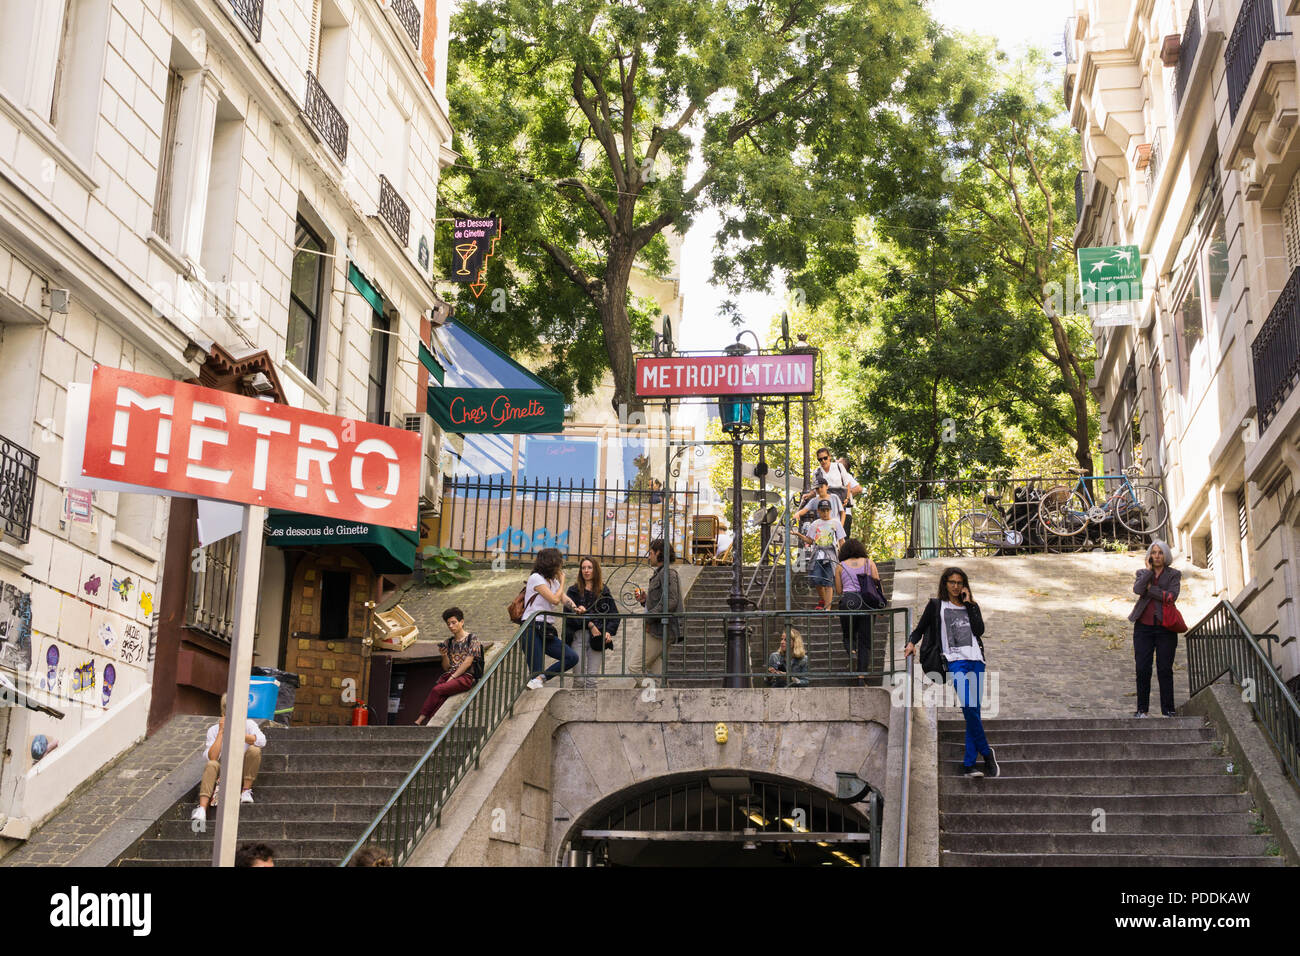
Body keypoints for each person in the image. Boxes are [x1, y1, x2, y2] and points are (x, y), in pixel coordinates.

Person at [905, 568, 998, 779]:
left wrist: (970, 604)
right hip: (955, 661)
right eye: (952, 582)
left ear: (964, 585)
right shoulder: (936, 605)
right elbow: (920, 629)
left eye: (959, 583)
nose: (955, 586)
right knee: (967, 704)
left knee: (972, 710)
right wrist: (911, 643)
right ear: (945, 583)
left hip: (976, 660)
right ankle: (986, 752)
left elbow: (979, 630)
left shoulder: (971, 606)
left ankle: (969, 765)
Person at [1128, 540, 1183, 718]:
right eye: (1154, 553)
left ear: (1165, 555)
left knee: (1164, 669)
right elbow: (1138, 589)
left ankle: (1168, 710)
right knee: (1143, 668)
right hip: (1143, 628)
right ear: (1149, 556)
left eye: (1160, 553)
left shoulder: (1174, 574)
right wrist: (1148, 575)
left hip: (1165, 627)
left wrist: (1150, 589)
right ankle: (1142, 710)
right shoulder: (1142, 573)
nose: (1157, 556)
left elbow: (1171, 597)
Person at [193, 694, 266, 821]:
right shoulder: (213, 730)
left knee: (255, 749)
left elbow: (261, 741)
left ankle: (246, 791)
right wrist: (221, 732)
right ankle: (202, 809)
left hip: (243, 769)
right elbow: (212, 757)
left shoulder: (248, 724)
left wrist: (237, 733)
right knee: (211, 764)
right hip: (223, 772)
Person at [523, 548, 580, 690]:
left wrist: (576, 608)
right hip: (531, 627)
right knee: (536, 669)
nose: (561, 566)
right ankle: (535, 685)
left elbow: (563, 599)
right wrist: (562, 582)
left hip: (546, 629)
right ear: (551, 563)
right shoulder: (536, 578)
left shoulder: (553, 582)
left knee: (571, 657)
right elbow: (555, 600)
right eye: (559, 563)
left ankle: (541, 678)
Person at [415, 607, 484, 724]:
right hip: (451, 675)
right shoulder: (448, 642)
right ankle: (431, 723)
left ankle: (420, 719)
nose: (451, 626)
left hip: (466, 677)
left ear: (462, 622)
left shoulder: (473, 639)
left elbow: (467, 663)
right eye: (448, 624)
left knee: (437, 690)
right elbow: (446, 667)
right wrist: (444, 655)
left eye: (454, 622)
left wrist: (452, 678)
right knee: (440, 699)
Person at [632, 539, 683, 676]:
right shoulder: (660, 573)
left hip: (660, 630)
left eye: (651, 553)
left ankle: (654, 696)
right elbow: (660, 600)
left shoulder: (668, 573)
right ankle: (662, 694)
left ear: (658, 553)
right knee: (657, 674)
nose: (649, 557)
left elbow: (671, 601)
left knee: (634, 667)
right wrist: (645, 600)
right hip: (656, 629)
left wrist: (649, 617)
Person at [566, 556, 619, 687]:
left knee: (591, 681)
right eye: (583, 568)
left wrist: (608, 631)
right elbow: (569, 615)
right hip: (578, 636)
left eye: (589, 567)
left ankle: (590, 708)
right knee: (578, 680)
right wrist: (590, 624)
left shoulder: (603, 591)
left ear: (595, 570)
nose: (586, 571)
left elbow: (614, 615)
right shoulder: (573, 591)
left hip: (597, 638)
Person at [835, 538, 882, 676]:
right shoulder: (869, 563)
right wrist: (880, 605)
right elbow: (877, 584)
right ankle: (861, 677)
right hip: (867, 602)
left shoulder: (840, 566)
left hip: (848, 601)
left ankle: (852, 652)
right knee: (865, 641)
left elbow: (838, 590)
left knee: (848, 635)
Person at [797, 499, 845, 611]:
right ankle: (824, 601)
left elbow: (841, 541)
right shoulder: (815, 524)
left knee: (829, 581)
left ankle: (827, 608)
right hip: (818, 554)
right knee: (817, 580)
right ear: (818, 511)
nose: (825, 513)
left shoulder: (836, 523)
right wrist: (799, 534)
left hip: (831, 554)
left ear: (830, 510)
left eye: (827, 510)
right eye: (823, 510)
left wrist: (844, 556)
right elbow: (810, 540)